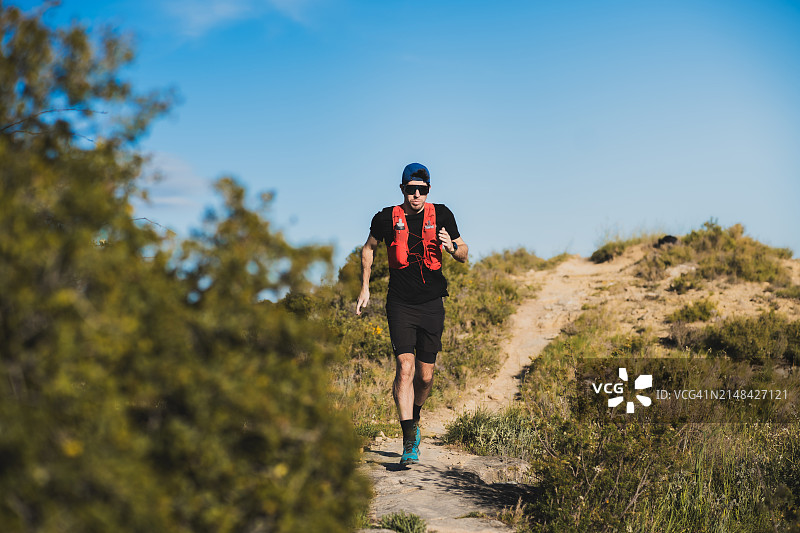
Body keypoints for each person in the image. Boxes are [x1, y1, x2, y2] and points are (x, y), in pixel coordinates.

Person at [356, 163, 468, 466]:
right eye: (411, 189)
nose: (416, 195)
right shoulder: (385, 218)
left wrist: (451, 247)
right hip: (400, 304)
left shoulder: (442, 214)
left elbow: (464, 252)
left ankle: (415, 417)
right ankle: (408, 441)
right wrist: (365, 287)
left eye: (422, 190)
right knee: (404, 368)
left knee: (425, 376)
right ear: (402, 189)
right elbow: (368, 249)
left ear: (428, 190)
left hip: (431, 303)